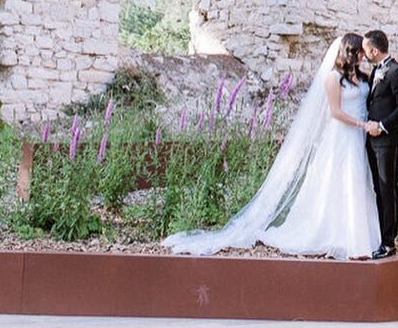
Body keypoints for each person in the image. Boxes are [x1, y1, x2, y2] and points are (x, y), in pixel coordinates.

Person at [163, 32, 381, 260]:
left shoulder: (364, 78)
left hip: (360, 137)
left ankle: (360, 235)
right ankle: (336, 236)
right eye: (359, 52)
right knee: (339, 182)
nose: (363, 57)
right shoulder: (334, 79)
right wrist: (362, 124)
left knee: (359, 182)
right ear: (349, 52)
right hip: (342, 135)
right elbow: (335, 112)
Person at [361, 28, 398, 259]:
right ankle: (383, 235)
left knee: (387, 188)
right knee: (379, 189)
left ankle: (389, 241)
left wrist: (381, 126)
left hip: (389, 140)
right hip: (373, 140)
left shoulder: (396, 72)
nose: (363, 54)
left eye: (365, 50)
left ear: (374, 49)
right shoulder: (375, 72)